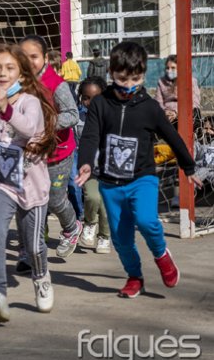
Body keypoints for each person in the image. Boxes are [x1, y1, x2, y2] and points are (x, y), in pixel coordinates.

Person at [76, 42, 202, 299]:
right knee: (121, 240)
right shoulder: (100, 104)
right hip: (110, 183)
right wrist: (86, 163)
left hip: (142, 179)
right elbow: (90, 135)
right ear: (112, 73)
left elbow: (172, 137)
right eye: (123, 78)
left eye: (136, 78)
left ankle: (162, 255)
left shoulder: (149, 107)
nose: (129, 84)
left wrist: (188, 166)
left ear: (144, 74)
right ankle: (134, 276)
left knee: (146, 221)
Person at [0, 44, 59, 323]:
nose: (2, 73)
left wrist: (6, 108)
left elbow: (28, 129)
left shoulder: (30, 103)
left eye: (9, 68)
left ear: (23, 75)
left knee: (34, 246)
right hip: (2, 184)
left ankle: (41, 277)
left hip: (33, 187)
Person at [20, 36, 82, 263]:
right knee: (33, 198)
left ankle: (71, 228)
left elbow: (73, 115)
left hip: (59, 153)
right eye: (24, 57)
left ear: (45, 58)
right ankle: (35, 240)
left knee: (55, 199)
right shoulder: (19, 82)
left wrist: (46, 123)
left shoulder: (57, 84)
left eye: (34, 57)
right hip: (33, 153)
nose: (29, 61)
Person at [75, 76, 111, 255]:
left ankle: (104, 236)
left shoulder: (110, 117)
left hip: (108, 170)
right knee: (92, 198)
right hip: (87, 169)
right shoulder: (78, 118)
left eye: (95, 98)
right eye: (86, 98)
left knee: (105, 205)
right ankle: (90, 222)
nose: (89, 102)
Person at [154, 54, 201, 130]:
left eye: (173, 68)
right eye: (167, 68)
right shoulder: (161, 82)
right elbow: (158, 102)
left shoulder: (190, 81)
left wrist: (177, 113)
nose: (169, 71)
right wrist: (166, 112)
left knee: (196, 112)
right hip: (167, 114)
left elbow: (195, 102)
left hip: (185, 113)